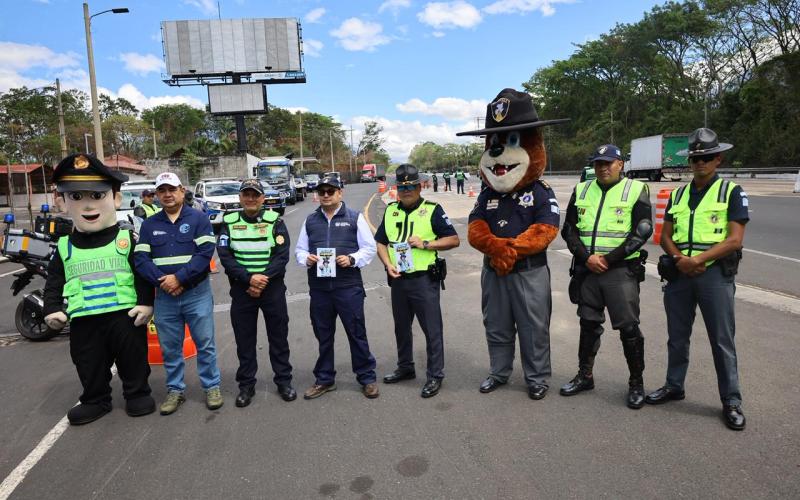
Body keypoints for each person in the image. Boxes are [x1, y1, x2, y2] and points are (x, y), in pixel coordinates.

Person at [460, 87, 569, 401]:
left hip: (528, 272)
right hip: (494, 272)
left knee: (533, 327)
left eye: (510, 141)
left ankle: (536, 378)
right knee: (495, 324)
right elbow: (475, 226)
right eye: (495, 142)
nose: (498, 152)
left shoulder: (539, 190)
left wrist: (510, 251)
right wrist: (496, 249)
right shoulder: (487, 193)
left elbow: (546, 228)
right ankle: (499, 372)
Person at [646, 128, 749, 431]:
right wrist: (681, 261)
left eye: (706, 157)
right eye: (695, 158)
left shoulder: (731, 192)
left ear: (718, 159)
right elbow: (664, 236)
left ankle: (731, 400)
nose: (700, 162)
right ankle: (674, 385)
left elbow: (735, 240)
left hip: (714, 275)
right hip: (680, 273)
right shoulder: (676, 194)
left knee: (722, 340)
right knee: (677, 337)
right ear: (689, 161)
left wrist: (698, 261)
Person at [43, 154, 155, 425]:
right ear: (62, 202)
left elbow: (141, 274)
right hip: (84, 319)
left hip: (124, 316)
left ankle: (137, 393)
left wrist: (146, 303)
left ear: (115, 199)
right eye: (76, 197)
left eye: (96, 195)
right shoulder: (64, 246)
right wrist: (52, 309)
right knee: (88, 361)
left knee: (132, 358)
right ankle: (95, 398)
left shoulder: (127, 239)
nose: (88, 205)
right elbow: (54, 281)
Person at [559, 144, 652, 409]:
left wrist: (608, 259)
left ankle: (636, 383)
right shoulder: (582, 189)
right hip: (588, 270)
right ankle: (584, 375)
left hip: (620, 271)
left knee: (628, 329)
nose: (603, 167)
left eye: (608, 163)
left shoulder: (635, 189)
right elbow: (569, 229)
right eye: (598, 163)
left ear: (620, 164)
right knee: (588, 324)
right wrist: (586, 257)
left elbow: (642, 230)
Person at [134, 172, 223, 415]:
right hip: (165, 296)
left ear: (182, 191)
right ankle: (175, 390)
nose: (167, 194)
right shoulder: (150, 224)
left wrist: (179, 278)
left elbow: (205, 254)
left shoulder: (198, 218)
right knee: (170, 347)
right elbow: (141, 258)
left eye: (171, 189)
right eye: (161, 190)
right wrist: (163, 282)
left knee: (205, 343)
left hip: (196, 293)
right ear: (157, 195)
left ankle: (212, 387)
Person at [375, 164, 460, 398]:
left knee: (432, 330)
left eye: (411, 186)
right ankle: (405, 367)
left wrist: (426, 243)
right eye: (402, 187)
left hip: (424, 280)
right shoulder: (391, 210)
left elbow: (453, 240)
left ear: (420, 186)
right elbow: (381, 242)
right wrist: (386, 263)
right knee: (401, 328)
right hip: (398, 279)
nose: (406, 190)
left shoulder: (433, 210)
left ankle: (435, 375)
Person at [295, 175, 380, 400]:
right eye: (321, 192)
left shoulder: (354, 218)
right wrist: (307, 259)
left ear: (340, 193)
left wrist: (352, 259)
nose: (325, 195)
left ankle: (366, 378)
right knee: (323, 335)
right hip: (320, 289)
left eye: (330, 191)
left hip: (348, 287)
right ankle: (325, 379)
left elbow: (369, 248)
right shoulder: (310, 221)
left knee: (356, 332)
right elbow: (300, 250)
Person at [217, 179, 296, 407]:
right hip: (242, 290)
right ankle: (246, 385)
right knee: (245, 340)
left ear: (262, 198)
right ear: (240, 198)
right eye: (246, 195)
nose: (250, 199)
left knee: (278, 337)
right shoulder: (229, 222)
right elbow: (224, 256)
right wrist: (248, 278)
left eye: (255, 195)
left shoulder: (274, 221)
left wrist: (262, 279)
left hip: (271, 289)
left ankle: (284, 381)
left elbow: (282, 255)